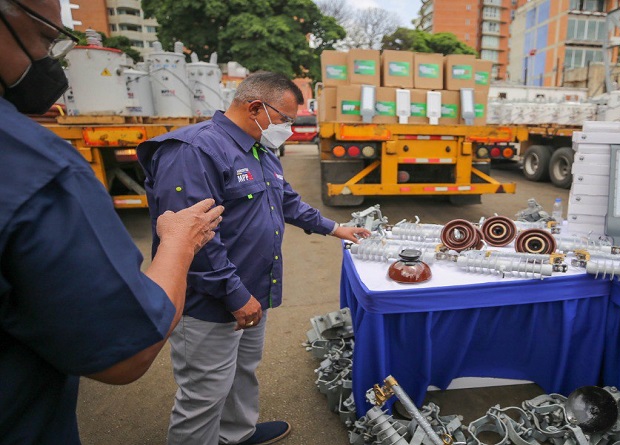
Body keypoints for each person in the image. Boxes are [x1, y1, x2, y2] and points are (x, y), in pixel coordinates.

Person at [0, 0, 225, 444]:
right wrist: (179, 243)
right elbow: (128, 349)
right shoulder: (30, 165)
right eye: (46, 37)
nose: (50, 58)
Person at [137, 72, 370, 445]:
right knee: (204, 394)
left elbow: (286, 201)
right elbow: (194, 241)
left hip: (253, 291)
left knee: (242, 370)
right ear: (256, 107)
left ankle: (236, 434)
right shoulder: (193, 151)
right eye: (285, 119)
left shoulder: (259, 147)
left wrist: (334, 228)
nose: (290, 129)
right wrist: (234, 295)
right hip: (210, 302)